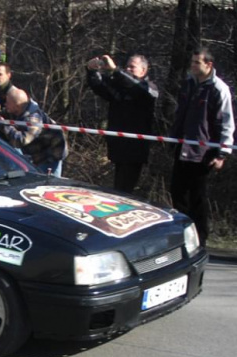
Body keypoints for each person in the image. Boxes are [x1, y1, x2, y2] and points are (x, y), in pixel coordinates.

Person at [170, 47, 235, 247]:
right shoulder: (188, 85)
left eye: (196, 63)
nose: (192, 66)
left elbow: (226, 122)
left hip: (203, 153)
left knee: (197, 198)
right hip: (182, 149)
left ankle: (201, 238)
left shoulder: (218, 88)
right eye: (191, 62)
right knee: (177, 193)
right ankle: (183, 236)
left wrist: (223, 152)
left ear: (209, 65)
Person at [87, 53, 159, 193]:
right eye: (127, 67)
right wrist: (92, 71)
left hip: (134, 150)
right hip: (117, 147)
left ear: (143, 71)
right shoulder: (121, 88)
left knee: (125, 191)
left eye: (132, 67)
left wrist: (116, 70)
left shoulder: (150, 88)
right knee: (117, 190)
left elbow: (138, 88)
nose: (128, 69)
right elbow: (100, 86)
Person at [0, 86, 67, 176]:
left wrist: (4, 125)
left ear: (17, 105)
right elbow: (9, 115)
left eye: (7, 102)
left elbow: (21, 140)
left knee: (48, 184)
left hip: (50, 155)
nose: (5, 104)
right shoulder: (19, 110)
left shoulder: (33, 118)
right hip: (36, 153)